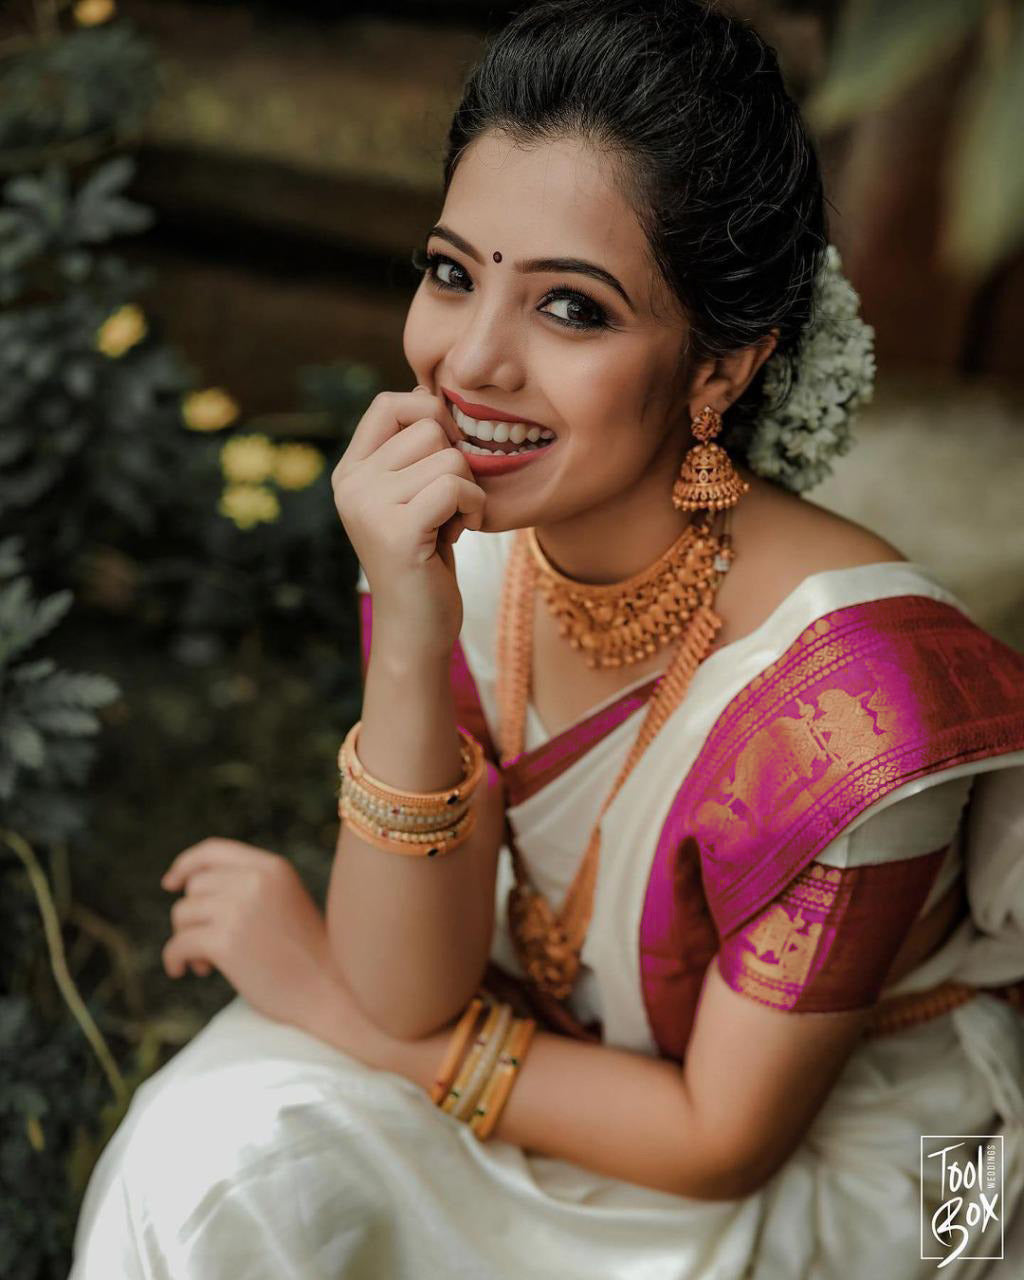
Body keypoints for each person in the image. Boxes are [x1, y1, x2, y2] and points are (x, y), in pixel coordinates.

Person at [70, 1, 1024, 1276]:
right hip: (561, 1051)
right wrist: (408, 630)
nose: (470, 360)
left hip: (894, 1170)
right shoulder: (464, 546)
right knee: (210, 1162)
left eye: (571, 310)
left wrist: (332, 1002)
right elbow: (408, 980)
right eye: (452, 271)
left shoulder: (855, 702)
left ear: (720, 370)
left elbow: (719, 1139)